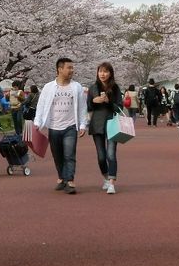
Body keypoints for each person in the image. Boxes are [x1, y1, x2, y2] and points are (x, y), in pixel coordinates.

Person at [34, 57, 88, 194]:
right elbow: (41, 105)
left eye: (72, 68)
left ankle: (70, 181)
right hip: (53, 127)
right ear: (60, 69)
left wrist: (82, 124)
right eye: (69, 68)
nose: (72, 70)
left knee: (69, 154)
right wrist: (37, 122)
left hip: (70, 126)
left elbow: (82, 107)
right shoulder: (48, 87)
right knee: (57, 155)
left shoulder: (77, 87)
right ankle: (61, 178)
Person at [87, 62, 123, 194]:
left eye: (106, 71)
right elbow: (89, 107)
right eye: (100, 71)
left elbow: (119, 108)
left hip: (112, 123)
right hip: (97, 124)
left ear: (110, 73)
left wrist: (108, 101)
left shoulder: (115, 88)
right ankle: (106, 177)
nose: (103, 74)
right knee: (101, 156)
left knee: (111, 154)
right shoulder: (92, 88)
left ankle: (112, 183)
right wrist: (93, 101)